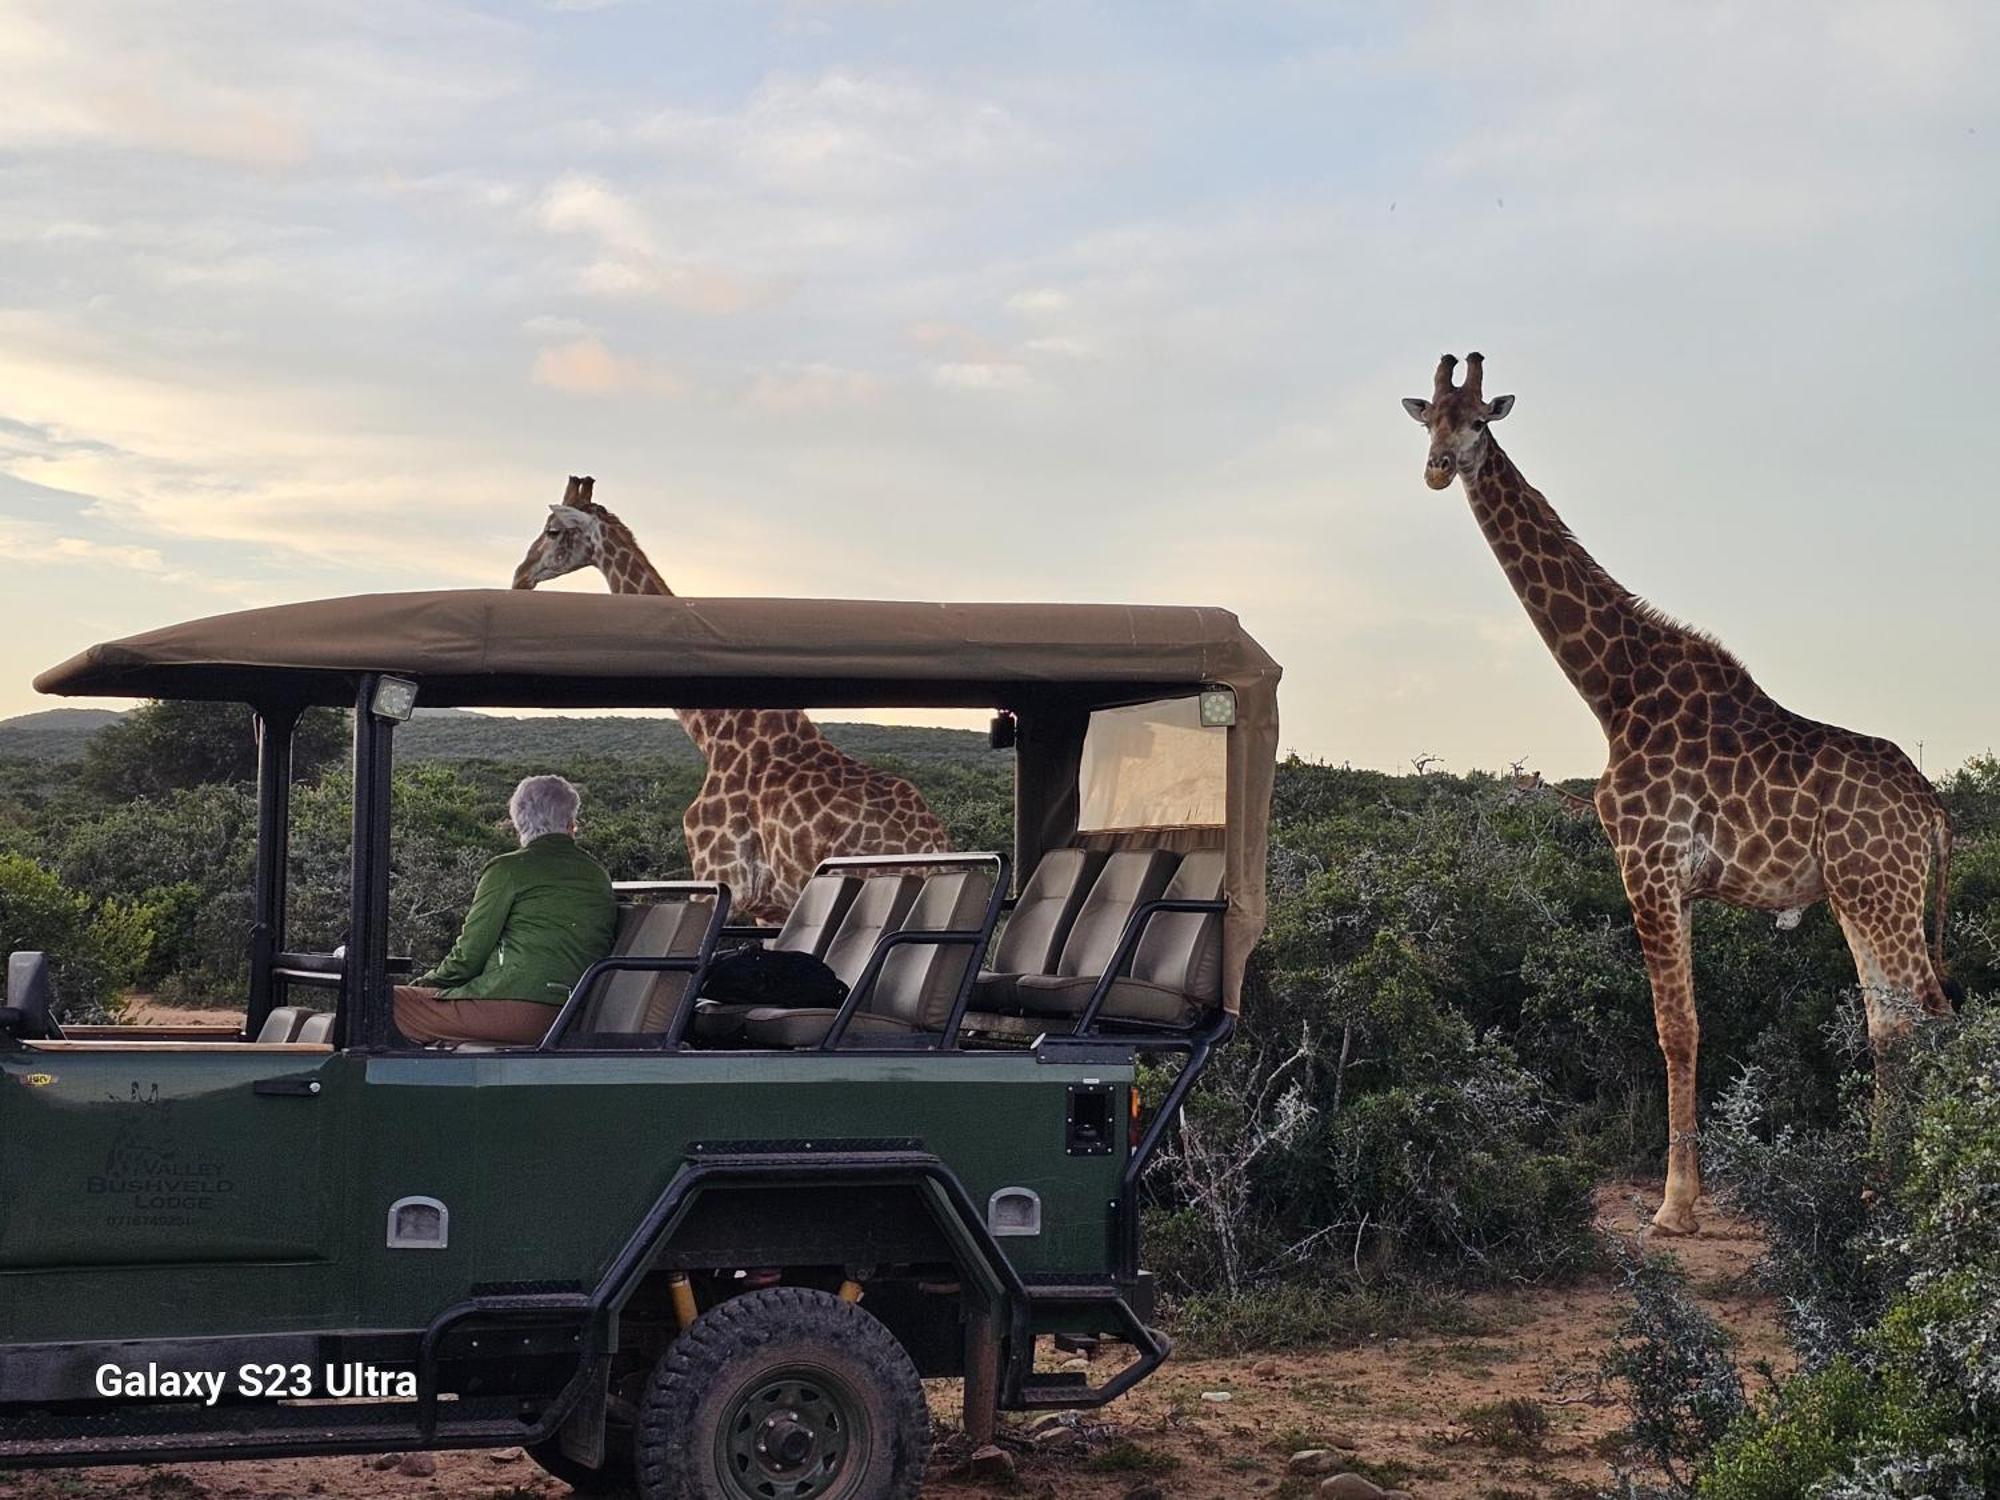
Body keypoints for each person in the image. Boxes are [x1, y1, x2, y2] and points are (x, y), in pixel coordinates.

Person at [393, 775, 617, 1046]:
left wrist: (425, 984)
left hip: (516, 1008)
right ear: (571, 822)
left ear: (517, 820)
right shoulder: (596, 873)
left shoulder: (509, 870)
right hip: (572, 1011)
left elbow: (468, 956)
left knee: (377, 1005)